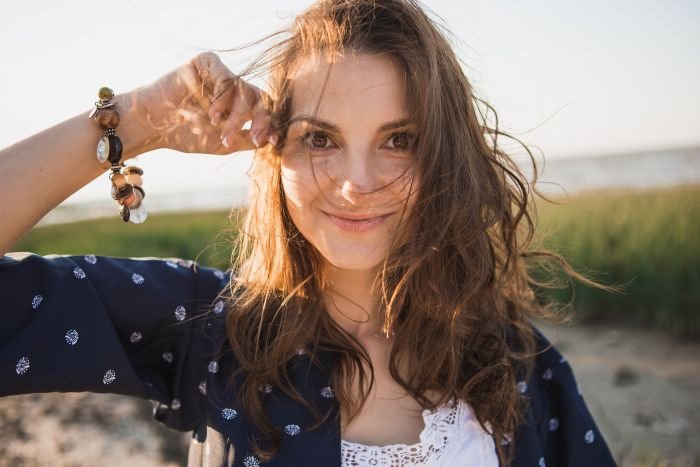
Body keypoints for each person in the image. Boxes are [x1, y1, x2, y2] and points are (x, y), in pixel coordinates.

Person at [0, 0, 617, 466]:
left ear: (444, 156)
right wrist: (135, 121)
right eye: (320, 138)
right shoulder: (210, 327)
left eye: (399, 140)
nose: (357, 182)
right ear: (274, 154)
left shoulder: (514, 360)